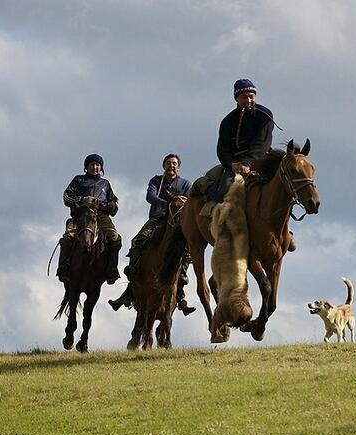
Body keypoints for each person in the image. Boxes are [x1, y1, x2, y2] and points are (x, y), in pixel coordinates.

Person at [191, 78, 296, 251]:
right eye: (244, 97)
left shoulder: (265, 115)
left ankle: (287, 231)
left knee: (282, 186)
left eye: (251, 96)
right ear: (236, 99)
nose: (248, 100)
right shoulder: (227, 121)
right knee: (222, 191)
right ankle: (226, 230)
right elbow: (222, 149)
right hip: (235, 163)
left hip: (262, 158)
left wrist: (248, 162)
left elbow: (261, 144)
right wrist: (232, 164)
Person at [109, 153, 194, 315]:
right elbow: (150, 196)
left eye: (175, 163)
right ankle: (132, 275)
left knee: (186, 249)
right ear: (164, 166)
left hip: (176, 223)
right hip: (158, 218)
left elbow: (190, 201)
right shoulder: (156, 181)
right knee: (137, 241)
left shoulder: (185, 184)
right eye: (169, 163)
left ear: (179, 167)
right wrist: (166, 204)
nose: (172, 165)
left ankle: (181, 284)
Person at [55, 153, 122, 284]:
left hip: (101, 215)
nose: (95, 167)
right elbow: (67, 196)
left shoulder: (105, 184)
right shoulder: (78, 180)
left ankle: (112, 269)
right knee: (68, 236)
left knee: (115, 237)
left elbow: (113, 206)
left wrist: (111, 205)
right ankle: (63, 267)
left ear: (101, 168)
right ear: (86, 167)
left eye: (97, 165)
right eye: (92, 164)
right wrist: (80, 200)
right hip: (81, 214)